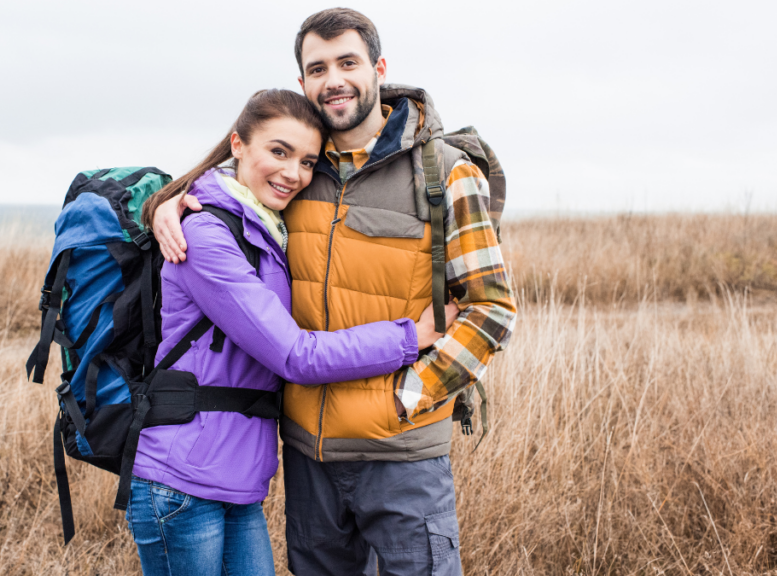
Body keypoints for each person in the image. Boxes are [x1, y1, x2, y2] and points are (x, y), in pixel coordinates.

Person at [150, 9, 518, 576]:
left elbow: (491, 308)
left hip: (401, 456)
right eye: (317, 68)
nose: (333, 79)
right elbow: (229, 187)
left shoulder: (444, 172)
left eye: (348, 62)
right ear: (303, 83)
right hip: (308, 458)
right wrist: (166, 205)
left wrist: (411, 397)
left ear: (379, 68)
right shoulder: (300, 172)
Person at [129, 88, 458, 576]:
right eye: (278, 152)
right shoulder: (203, 233)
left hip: (235, 480)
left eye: (307, 161)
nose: (293, 174)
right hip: (180, 480)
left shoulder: (269, 226)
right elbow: (294, 355)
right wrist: (410, 337)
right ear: (237, 145)